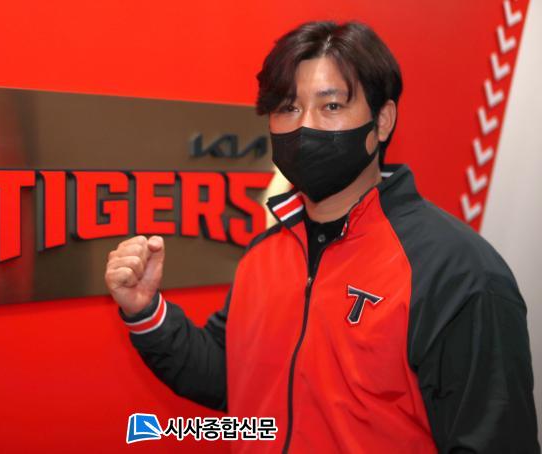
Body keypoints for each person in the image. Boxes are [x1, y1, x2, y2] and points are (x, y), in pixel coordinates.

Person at [104, 21, 539, 453]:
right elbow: (228, 377)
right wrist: (146, 311)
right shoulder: (264, 254)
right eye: (288, 108)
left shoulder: (457, 272)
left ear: (382, 121)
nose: (304, 127)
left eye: (330, 106)